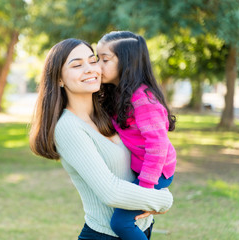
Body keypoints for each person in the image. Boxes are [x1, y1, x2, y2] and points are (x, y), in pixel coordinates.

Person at [29, 38, 173, 240]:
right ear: (59, 79)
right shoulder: (68, 127)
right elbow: (110, 192)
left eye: (93, 60)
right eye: (77, 65)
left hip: (142, 228)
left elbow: (155, 145)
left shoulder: (111, 112)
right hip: (105, 235)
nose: (90, 69)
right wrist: (163, 199)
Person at [96, 31, 177, 240]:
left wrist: (145, 189)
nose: (97, 65)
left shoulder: (143, 100)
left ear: (127, 62)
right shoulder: (118, 94)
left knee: (121, 223)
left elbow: (157, 146)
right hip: (142, 168)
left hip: (156, 172)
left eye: (104, 59)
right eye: (97, 58)